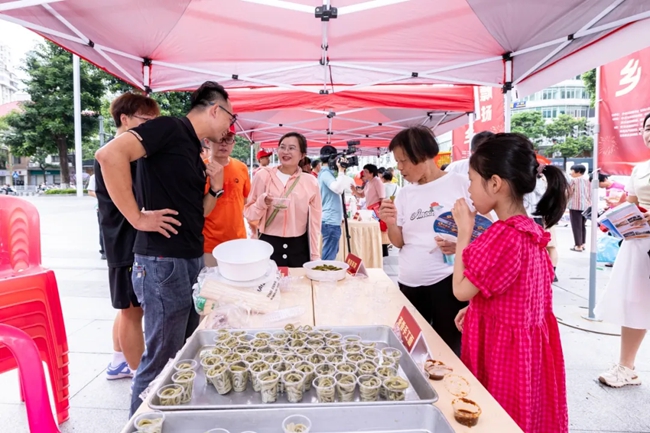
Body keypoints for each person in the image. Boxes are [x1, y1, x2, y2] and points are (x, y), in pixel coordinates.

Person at [95, 81, 234, 416]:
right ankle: (141, 422)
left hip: (186, 260)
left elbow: (196, 212)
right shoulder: (169, 127)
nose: (230, 126)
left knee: (182, 354)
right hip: (162, 262)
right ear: (215, 109)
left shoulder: (189, 145)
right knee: (160, 359)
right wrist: (137, 217)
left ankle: (169, 419)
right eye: (230, 117)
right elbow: (108, 155)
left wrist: (215, 188)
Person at [452, 132, 569, 433]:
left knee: (497, 417)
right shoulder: (529, 229)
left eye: (472, 180)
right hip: (527, 349)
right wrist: (479, 307)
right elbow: (519, 292)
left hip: (502, 352)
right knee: (522, 414)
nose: (469, 188)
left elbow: (460, 290)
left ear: (494, 183)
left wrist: (463, 232)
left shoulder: (501, 235)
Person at [378, 126, 470, 356]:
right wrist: (390, 222)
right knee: (412, 349)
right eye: (397, 161)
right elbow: (399, 242)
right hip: (409, 282)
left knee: (448, 348)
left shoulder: (460, 183)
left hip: (447, 282)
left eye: (404, 161)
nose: (399, 167)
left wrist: (460, 246)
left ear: (423, 155)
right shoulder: (405, 193)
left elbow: (484, 231)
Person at [94, 93, 160, 381]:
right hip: (124, 241)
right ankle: (139, 378)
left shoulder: (121, 151)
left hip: (119, 241)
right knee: (133, 312)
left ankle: (119, 361)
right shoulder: (117, 153)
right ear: (125, 118)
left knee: (126, 308)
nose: (151, 127)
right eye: (147, 121)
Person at [595, 112, 650, 388]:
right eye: (648, 128)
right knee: (635, 303)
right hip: (640, 244)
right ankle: (627, 367)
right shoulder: (639, 169)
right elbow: (631, 205)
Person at [245, 132, 322, 267]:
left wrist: (315, 255)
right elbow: (249, 214)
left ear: (302, 155)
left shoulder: (310, 182)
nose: (286, 152)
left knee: (298, 286)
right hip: (268, 244)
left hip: (299, 246)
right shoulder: (263, 176)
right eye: (282, 147)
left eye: (292, 148)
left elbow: (315, 221)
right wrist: (261, 203)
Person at [202, 126, 251, 267]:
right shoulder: (200, 169)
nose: (223, 143)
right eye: (219, 138)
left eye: (228, 139)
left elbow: (246, 199)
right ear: (207, 142)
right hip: (209, 243)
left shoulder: (242, 168)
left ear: (234, 143)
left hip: (238, 240)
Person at [318, 146, 348, 261]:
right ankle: (325, 276)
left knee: (332, 252)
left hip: (331, 220)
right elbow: (338, 189)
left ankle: (326, 275)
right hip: (330, 221)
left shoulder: (326, 173)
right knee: (329, 256)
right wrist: (341, 171)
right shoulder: (325, 174)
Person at [568, 164, 591, 252]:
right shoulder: (589, 180)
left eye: (572, 171)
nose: (570, 173)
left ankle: (578, 245)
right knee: (582, 225)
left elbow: (568, 192)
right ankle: (583, 243)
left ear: (578, 172)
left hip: (575, 205)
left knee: (576, 226)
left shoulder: (573, 180)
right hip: (587, 206)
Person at [87, 174, 106, 260]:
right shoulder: (94, 177)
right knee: (103, 229)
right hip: (102, 207)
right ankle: (104, 251)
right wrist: (104, 197)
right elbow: (90, 192)